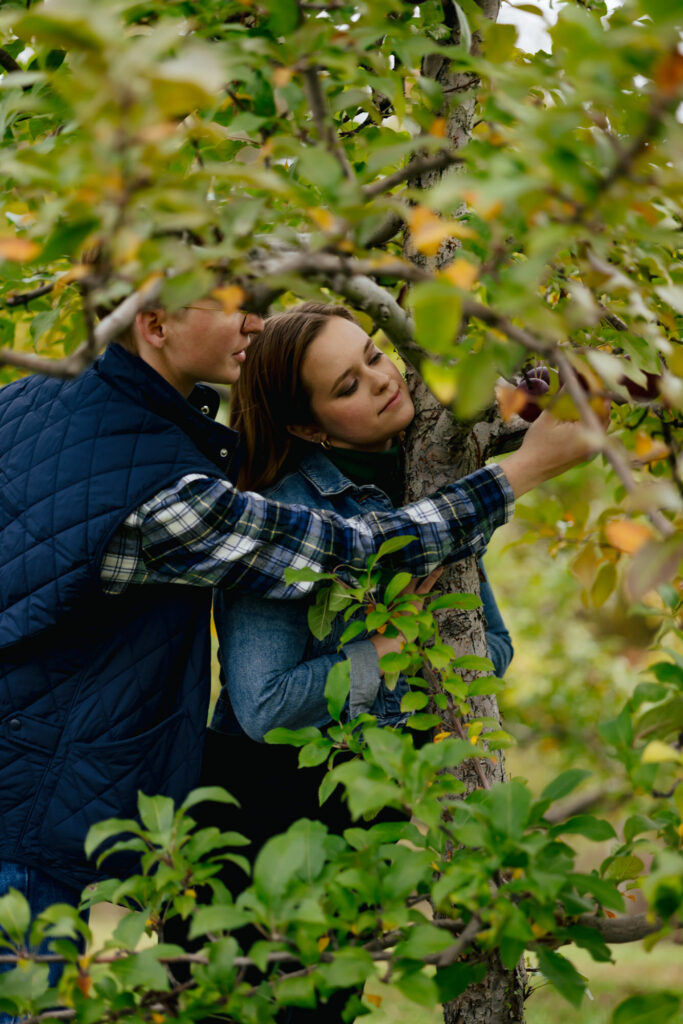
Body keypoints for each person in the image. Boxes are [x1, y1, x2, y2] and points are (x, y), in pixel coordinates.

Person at [0, 287, 594, 938]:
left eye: (375, 357)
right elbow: (351, 556)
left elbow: (485, 647)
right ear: (154, 325)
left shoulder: (39, 403)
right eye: (226, 303)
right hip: (46, 811)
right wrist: (523, 473)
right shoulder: (172, 493)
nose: (253, 318)